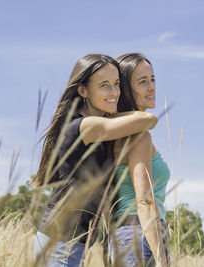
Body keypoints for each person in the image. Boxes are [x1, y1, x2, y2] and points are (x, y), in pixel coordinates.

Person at [30, 54, 158, 267]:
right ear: (83, 91)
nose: (114, 92)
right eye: (104, 86)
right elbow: (148, 120)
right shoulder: (83, 127)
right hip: (60, 241)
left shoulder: (98, 125)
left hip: (73, 242)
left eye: (117, 84)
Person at [109, 53, 170, 267]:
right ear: (126, 89)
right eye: (142, 82)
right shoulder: (139, 137)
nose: (152, 87)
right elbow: (145, 202)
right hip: (141, 233)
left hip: (124, 235)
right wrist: (161, 258)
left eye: (152, 79)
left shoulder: (118, 132)